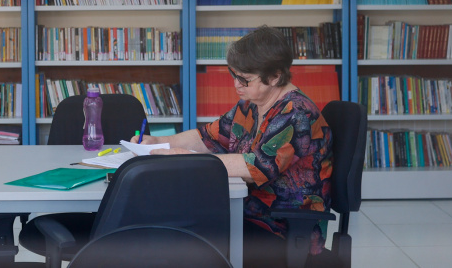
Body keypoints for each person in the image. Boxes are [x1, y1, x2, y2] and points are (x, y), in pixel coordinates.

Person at [132, 25, 332, 266]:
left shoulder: (297, 114)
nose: (236, 84)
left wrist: (188, 160)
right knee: (170, 227)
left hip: (279, 229)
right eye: (233, 74)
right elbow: (209, 136)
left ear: (275, 76)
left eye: (244, 79)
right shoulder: (251, 103)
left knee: (182, 238)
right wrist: (160, 142)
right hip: (245, 212)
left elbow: (255, 166)